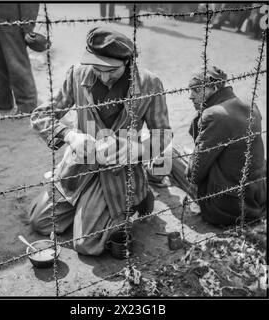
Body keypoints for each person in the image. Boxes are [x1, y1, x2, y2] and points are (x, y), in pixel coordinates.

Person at [29, 26, 171, 256]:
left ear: (128, 62)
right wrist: (69, 135)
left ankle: (137, 198)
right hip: (79, 166)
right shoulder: (77, 74)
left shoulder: (149, 84)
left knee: (86, 244)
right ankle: (90, 206)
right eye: (97, 69)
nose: (104, 77)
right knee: (41, 222)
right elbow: (40, 115)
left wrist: (137, 150)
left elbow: (163, 134)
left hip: (118, 173)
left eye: (112, 71)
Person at [172, 66, 266, 226]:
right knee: (192, 153)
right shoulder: (250, 105)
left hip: (227, 209)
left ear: (214, 87)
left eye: (196, 90)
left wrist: (201, 116)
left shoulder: (214, 115)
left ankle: (157, 176)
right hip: (257, 201)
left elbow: (194, 175)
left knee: (170, 155)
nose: (190, 96)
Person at [0, 4, 39, 113]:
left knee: (16, 64)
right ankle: (1, 101)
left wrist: (28, 25)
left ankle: (27, 106)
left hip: (12, 21)